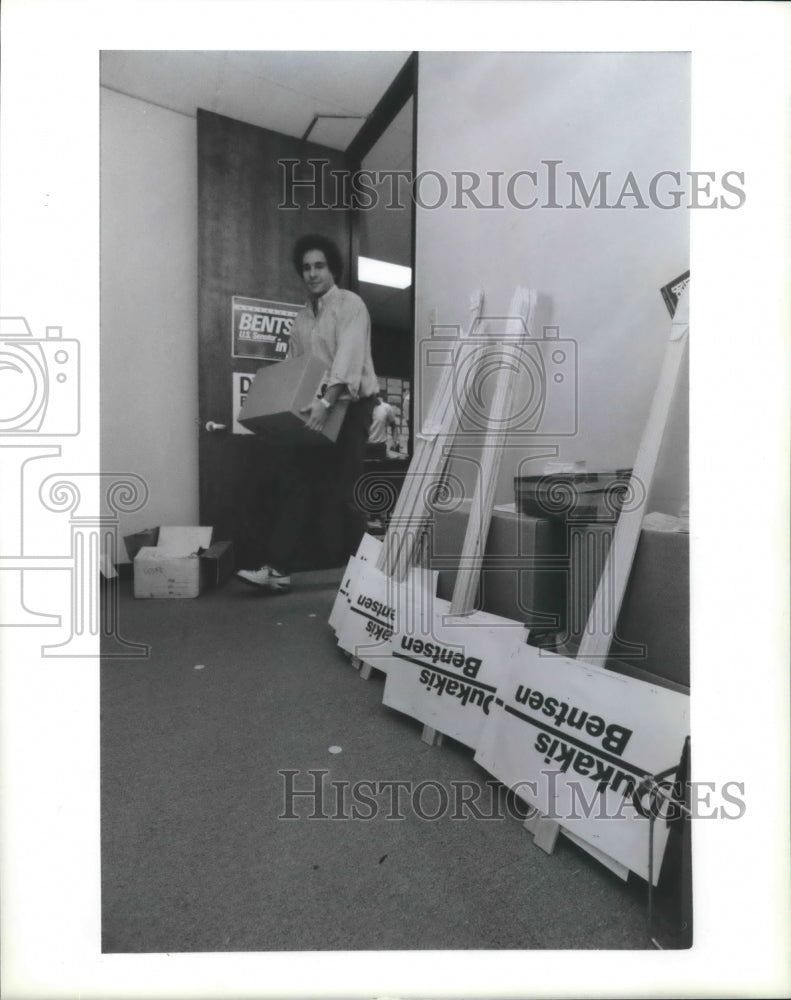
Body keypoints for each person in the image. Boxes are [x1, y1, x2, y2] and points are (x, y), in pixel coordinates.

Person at [236, 234, 379, 593]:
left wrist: (327, 401)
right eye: (306, 268)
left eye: (319, 266)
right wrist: (284, 407)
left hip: (351, 406)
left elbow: (348, 360)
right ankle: (278, 568)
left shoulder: (351, 305)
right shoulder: (302, 318)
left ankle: (376, 576)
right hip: (317, 407)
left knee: (342, 494)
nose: (312, 273)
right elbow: (299, 367)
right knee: (295, 486)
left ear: (333, 269)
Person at [365, 395, 398, 461]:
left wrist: (394, 442)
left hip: (379, 447)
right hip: (364, 447)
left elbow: (394, 426)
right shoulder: (360, 408)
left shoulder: (386, 407)